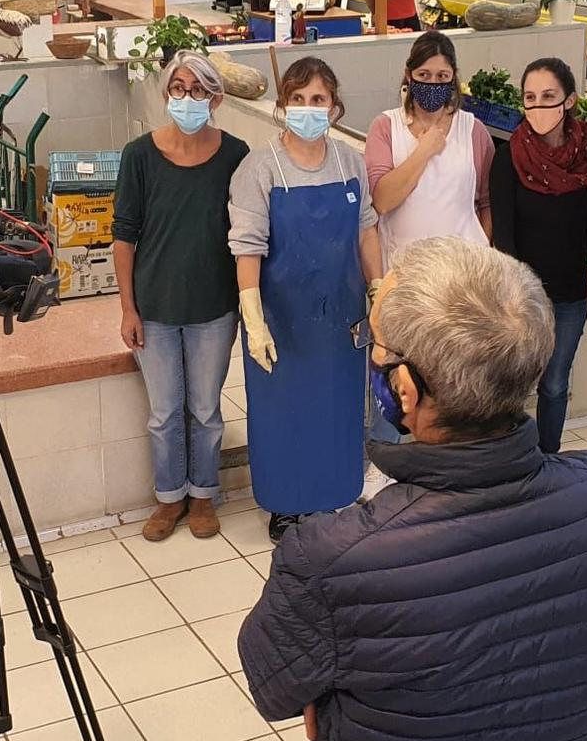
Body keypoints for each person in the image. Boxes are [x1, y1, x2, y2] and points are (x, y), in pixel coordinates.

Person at [239, 237, 587, 741]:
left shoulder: (331, 556)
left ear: (404, 389)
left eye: (375, 347)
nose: (373, 359)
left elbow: (275, 689)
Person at [229, 57, 383, 542]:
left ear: (334, 107)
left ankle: (336, 492)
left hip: (341, 318)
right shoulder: (259, 168)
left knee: (337, 407)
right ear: (283, 106)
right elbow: (247, 247)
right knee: (283, 412)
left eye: (318, 100)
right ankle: (286, 504)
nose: (308, 108)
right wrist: (254, 319)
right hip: (282, 321)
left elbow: (366, 234)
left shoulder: (350, 161)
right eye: (297, 99)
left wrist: (380, 294)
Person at [116, 52, 250, 541]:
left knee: (206, 410)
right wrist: (128, 307)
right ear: (166, 92)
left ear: (215, 98)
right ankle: (169, 498)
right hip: (153, 308)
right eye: (178, 88)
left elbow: (250, 232)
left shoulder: (235, 155)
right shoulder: (140, 156)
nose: (187, 97)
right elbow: (124, 235)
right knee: (165, 411)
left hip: (214, 307)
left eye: (198, 90)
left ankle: (203, 495)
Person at [490, 57, 587, 454]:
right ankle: (509, 458)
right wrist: (515, 295)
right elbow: (503, 234)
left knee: (555, 383)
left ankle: (548, 459)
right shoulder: (510, 157)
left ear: (570, 100)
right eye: (530, 98)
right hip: (521, 297)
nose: (538, 107)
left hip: (570, 293)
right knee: (512, 384)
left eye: (548, 97)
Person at [367, 30, 492, 270]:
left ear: (453, 77)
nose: (433, 83)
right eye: (424, 74)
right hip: (402, 269)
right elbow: (381, 201)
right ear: (408, 75)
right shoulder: (385, 127)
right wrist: (424, 151)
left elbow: (487, 202)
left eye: (442, 75)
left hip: (462, 269)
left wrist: (482, 251)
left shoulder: (473, 131)